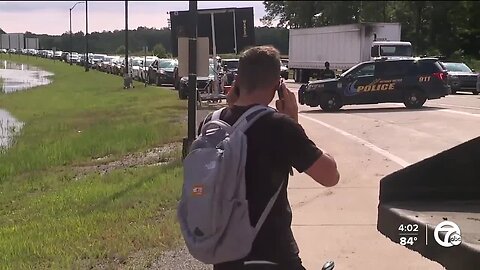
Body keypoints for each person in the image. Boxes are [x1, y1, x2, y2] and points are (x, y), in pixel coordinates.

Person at [198, 46, 340, 270]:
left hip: (224, 257)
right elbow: (330, 176)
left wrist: (231, 106)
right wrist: (294, 121)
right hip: (273, 256)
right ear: (278, 86)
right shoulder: (280, 126)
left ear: (237, 80)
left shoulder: (210, 123)